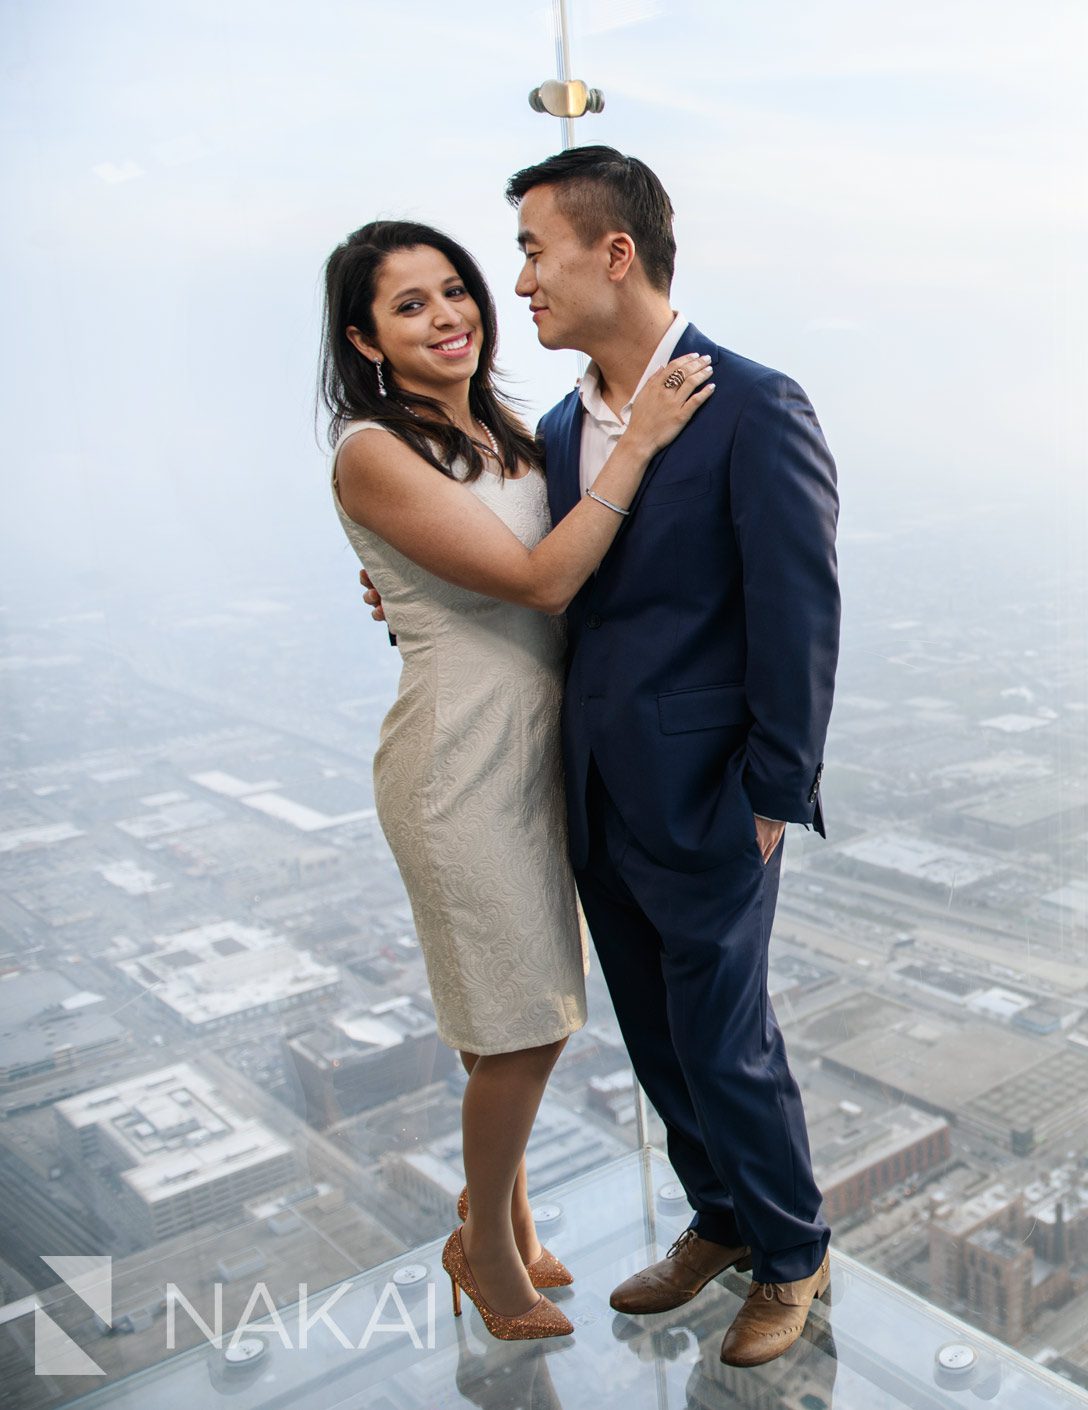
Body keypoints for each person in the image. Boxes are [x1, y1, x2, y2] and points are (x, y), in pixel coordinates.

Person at [359, 147, 842, 1368]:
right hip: (585, 789)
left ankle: (792, 1256)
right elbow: (532, 576)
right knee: (659, 1039)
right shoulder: (561, 428)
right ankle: (720, 1222)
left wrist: (775, 791)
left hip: (716, 793)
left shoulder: (752, 402)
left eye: (530, 250)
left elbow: (799, 608)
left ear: (611, 253)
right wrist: (406, 594)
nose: (512, 282)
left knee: (728, 1041)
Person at [322, 218, 714, 1342]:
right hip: (458, 765)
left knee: (500, 1017)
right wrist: (636, 443)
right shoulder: (370, 448)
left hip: (534, 754)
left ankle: (512, 1220)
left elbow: (543, 569)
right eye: (409, 306)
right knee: (527, 1024)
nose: (448, 315)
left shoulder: (505, 430)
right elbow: (543, 583)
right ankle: (484, 1249)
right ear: (364, 339)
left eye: (455, 290)